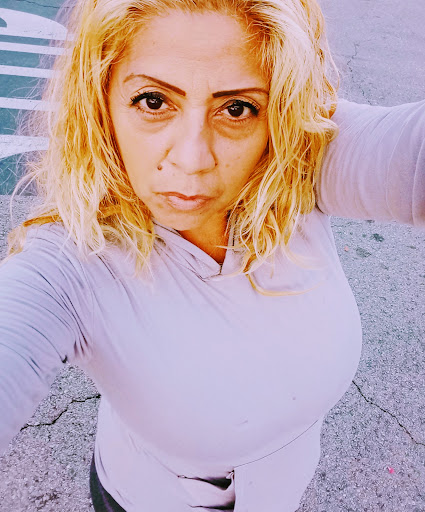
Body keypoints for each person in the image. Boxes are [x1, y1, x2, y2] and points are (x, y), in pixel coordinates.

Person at [0, 0, 423, 511]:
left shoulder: (297, 159)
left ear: (278, 114)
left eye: (237, 109)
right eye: (153, 101)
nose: (193, 160)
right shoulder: (69, 263)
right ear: (101, 101)